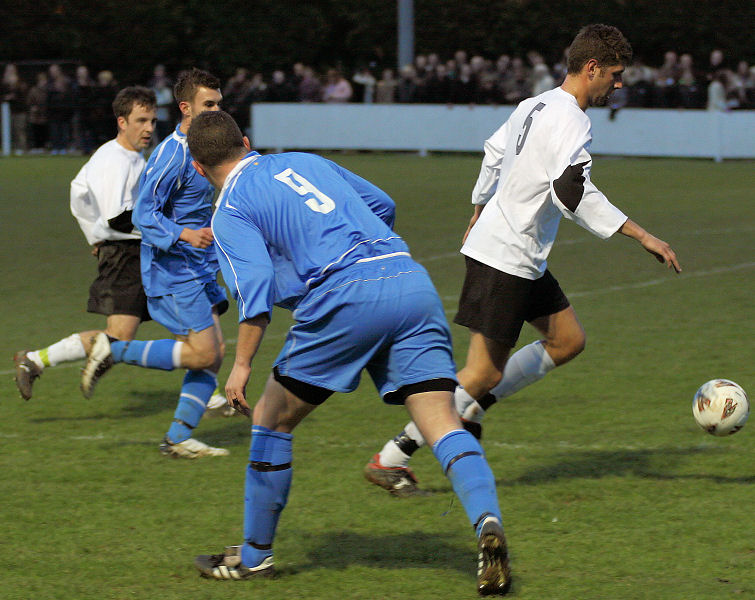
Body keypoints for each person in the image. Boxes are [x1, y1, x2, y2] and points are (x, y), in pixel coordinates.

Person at [89, 109, 511, 594]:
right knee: (442, 422)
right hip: (408, 278)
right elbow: (383, 204)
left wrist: (242, 365)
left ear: (200, 170)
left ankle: (254, 559)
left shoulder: (227, 210)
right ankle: (487, 525)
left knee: (270, 419)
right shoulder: (303, 161)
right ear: (246, 142)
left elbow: (255, 291)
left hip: (343, 297)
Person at [365, 24, 682, 496]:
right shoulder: (572, 119)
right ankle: (391, 457)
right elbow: (570, 191)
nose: (617, 85)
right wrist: (640, 234)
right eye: (614, 75)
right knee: (480, 373)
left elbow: (494, 153)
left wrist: (478, 204)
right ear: (591, 68)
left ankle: (470, 408)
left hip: (519, 253)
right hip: (505, 257)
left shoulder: (534, 103)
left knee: (567, 340)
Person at [80, 68, 233, 459]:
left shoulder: (209, 147)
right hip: (172, 268)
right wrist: (183, 234)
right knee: (203, 353)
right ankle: (113, 350)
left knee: (213, 353)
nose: (218, 110)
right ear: (186, 108)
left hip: (199, 266)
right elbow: (143, 215)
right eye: (209, 104)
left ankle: (179, 439)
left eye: (219, 103)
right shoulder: (172, 154)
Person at [13, 87, 157, 399]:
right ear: (122, 121)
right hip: (125, 254)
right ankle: (34, 360)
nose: (148, 128)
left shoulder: (131, 156)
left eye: (152, 121)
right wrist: (171, 232)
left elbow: (78, 192)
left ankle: (35, 360)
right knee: (119, 337)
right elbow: (117, 218)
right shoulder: (114, 160)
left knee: (171, 321)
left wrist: (94, 235)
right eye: (141, 120)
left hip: (132, 251)